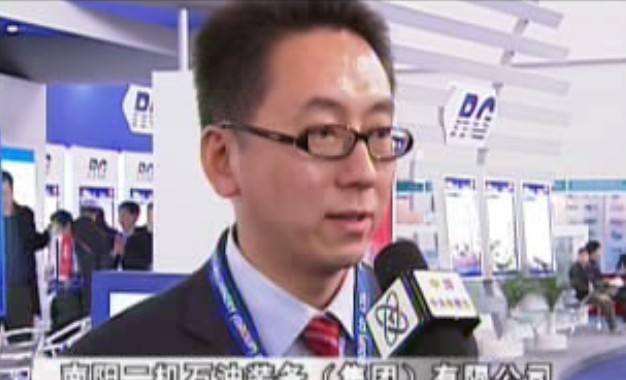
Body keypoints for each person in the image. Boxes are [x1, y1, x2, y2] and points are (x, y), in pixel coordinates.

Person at [70, 0, 422, 358]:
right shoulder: (110, 365)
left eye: (380, 133)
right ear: (223, 159)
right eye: (324, 134)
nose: (364, 173)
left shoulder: (429, 340)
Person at [2, 170, 49, 339]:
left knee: (21, 342)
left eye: (5, 192)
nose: (2, 198)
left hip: (19, 292)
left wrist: (48, 235)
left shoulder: (25, 215)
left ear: (12, 191)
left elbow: (33, 242)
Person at [585, 240, 626, 330]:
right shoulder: (588, 264)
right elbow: (594, 281)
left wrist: (608, 281)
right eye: (599, 250)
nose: (600, 252)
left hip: (604, 287)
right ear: (593, 251)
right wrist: (608, 282)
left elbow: (598, 278)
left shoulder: (594, 263)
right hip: (599, 291)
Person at [46, 210, 85, 333]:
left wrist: (70, 282)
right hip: (56, 296)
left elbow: (79, 272)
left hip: (70, 297)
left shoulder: (74, 246)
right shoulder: (55, 245)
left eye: (57, 228)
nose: (54, 232)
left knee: (67, 331)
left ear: (67, 226)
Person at [569, 247, 618, 334]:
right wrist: (590, 285)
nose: (584, 258)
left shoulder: (592, 267)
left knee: (613, 290)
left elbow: (599, 279)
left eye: (586, 256)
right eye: (582, 256)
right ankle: (613, 328)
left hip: (596, 291)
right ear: (578, 257)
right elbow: (576, 284)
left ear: (588, 257)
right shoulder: (574, 268)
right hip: (584, 295)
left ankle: (613, 327)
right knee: (606, 300)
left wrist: (606, 282)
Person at [115, 201, 152, 271]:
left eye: (124, 215)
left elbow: (147, 262)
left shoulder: (144, 237)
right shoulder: (115, 237)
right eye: (119, 215)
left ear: (135, 217)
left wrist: (124, 254)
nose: (121, 219)